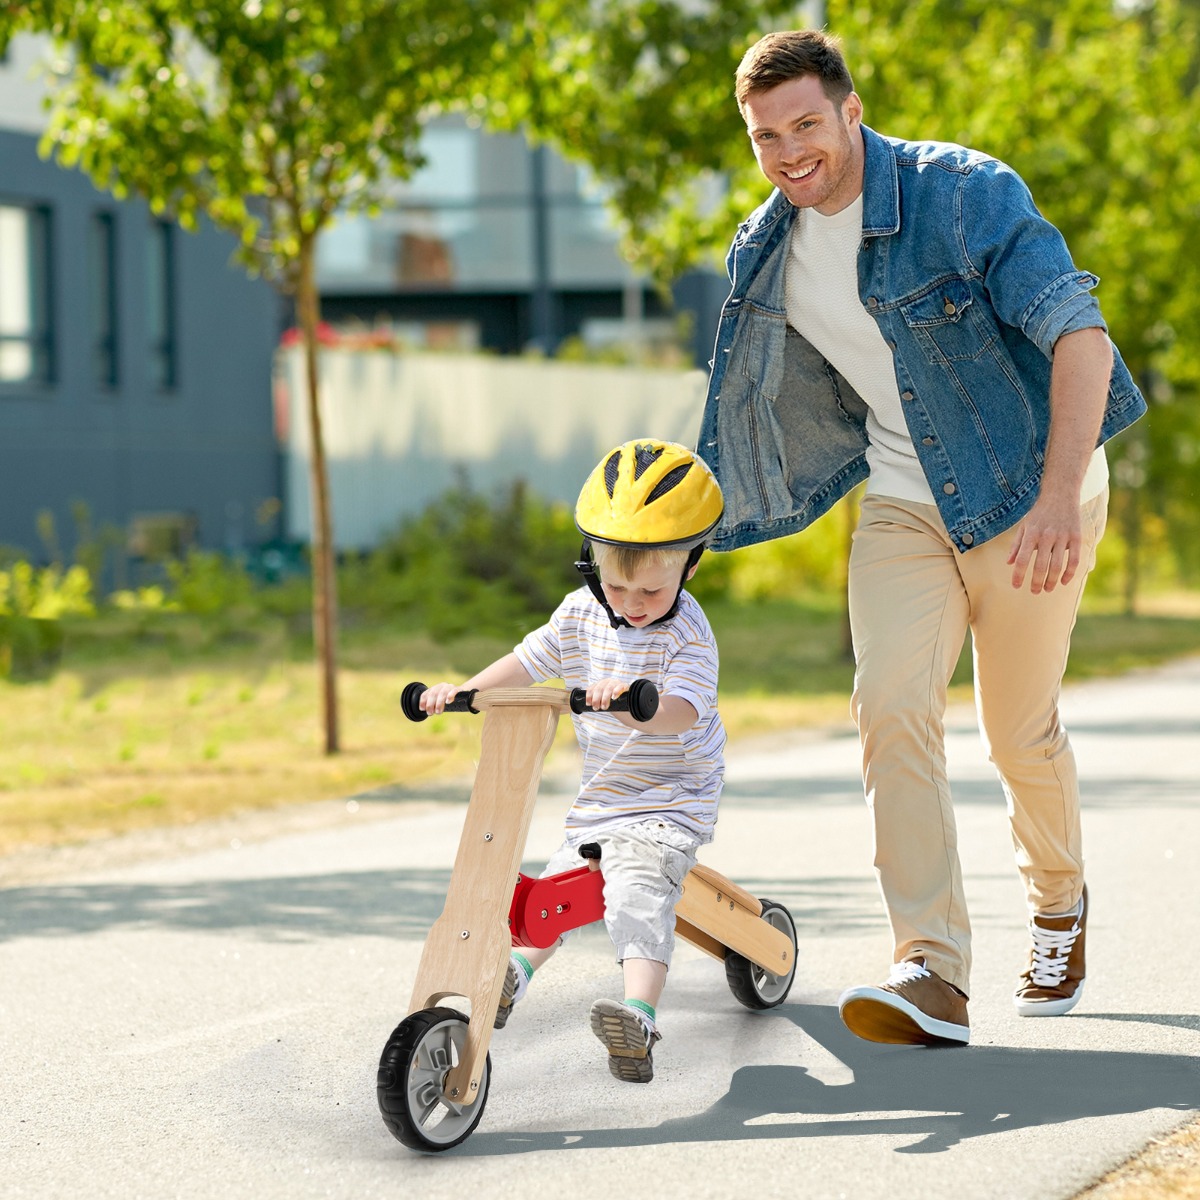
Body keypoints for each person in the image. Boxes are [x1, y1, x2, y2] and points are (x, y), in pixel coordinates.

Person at [696, 29, 1146, 1046]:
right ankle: (931, 968)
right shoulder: (763, 248)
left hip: (1029, 491)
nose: (788, 152)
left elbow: (1081, 338)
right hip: (905, 499)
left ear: (852, 111)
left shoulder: (964, 195)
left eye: (806, 125)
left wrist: (1058, 497)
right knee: (890, 705)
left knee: (1016, 732)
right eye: (766, 136)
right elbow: (755, 409)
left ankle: (1059, 905)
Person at [419, 438, 726, 1081]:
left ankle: (638, 1016)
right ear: (592, 566)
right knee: (558, 888)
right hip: (604, 798)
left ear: (691, 566)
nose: (631, 602)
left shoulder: (689, 635)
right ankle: (512, 974)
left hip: (669, 799)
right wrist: (464, 692)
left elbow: (682, 711)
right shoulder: (582, 612)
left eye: (651, 589)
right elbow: (527, 662)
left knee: (635, 889)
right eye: (615, 584)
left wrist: (637, 706)